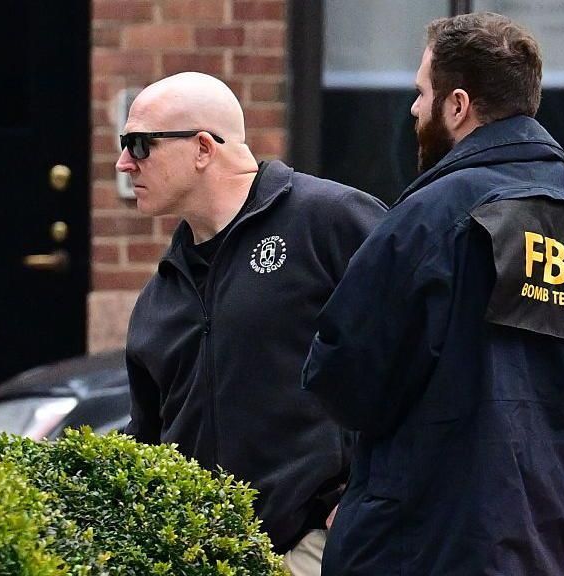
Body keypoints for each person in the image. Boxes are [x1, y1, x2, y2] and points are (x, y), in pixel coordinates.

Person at [303, 13, 564, 575]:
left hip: (427, 549)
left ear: (457, 105)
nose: (414, 109)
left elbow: (343, 376)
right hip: (561, 548)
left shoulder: (428, 219)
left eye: (422, 93)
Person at [117, 71, 386, 575]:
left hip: (319, 546)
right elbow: (145, 442)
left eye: (140, 144)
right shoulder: (162, 294)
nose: (124, 163)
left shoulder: (329, 220)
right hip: (204, 561)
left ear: (203, 148)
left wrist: (368, 497)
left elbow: (424, 358)